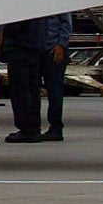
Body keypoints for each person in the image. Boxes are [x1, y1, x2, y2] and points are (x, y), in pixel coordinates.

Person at [34, 12, 72, 141]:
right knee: (34, 89)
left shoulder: (58, 2)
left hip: (53, 49)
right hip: (38, 49)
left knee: (54, 89)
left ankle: (56, 127)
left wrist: (61, 44)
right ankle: (33, 127)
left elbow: (67, 23)